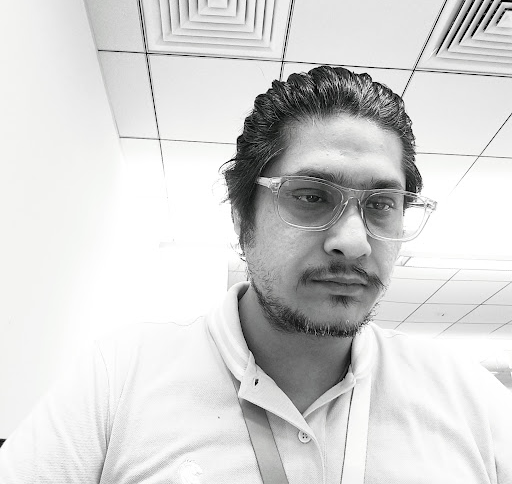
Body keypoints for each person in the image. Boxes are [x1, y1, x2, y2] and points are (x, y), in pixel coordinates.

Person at [0, 66, 511, 483]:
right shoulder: (119, 380)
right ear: (242, 217)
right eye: (311, 196)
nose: (353, 242)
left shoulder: (470, 399)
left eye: (381, 203)